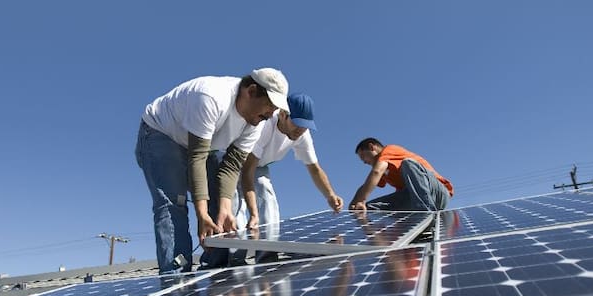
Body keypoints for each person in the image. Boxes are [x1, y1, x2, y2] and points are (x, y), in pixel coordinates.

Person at [135, 68, 289, 274]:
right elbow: (196, 157)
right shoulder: (211, 97)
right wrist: (202, 214)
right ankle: (176, 277)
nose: (271, 114)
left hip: (203, 146)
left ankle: (215, 269)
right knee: (175, 202)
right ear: (251, 91)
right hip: (161, 133)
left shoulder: (256, 121)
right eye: (270, 106)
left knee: (219, 203)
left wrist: (224, 210)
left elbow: (232, 166)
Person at [230, 93, 343, 264]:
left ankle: (267, 254)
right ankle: (236, 258)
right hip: (236, 163)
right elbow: (247, 172)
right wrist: (253, 213)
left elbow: (314, 168)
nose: (301, 130)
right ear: (282, 114)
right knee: (237, 207)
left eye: (305, 126)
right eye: (297, 124)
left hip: (258, 166)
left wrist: (330, 195)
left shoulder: (301, 134)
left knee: (267, 196)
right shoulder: (264, 125)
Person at [349, 137, 453, 211]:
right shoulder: (382, 171)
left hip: (436, 192)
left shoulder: (389, 150)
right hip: (413, 198)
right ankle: (390, 234)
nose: (363, 161)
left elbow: (376, 172)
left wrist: (361, 200)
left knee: (408, 163)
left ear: (372, 147)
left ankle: (425, 215)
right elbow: (366, 185)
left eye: (362, 156)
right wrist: (354, 204)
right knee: (370, 207)